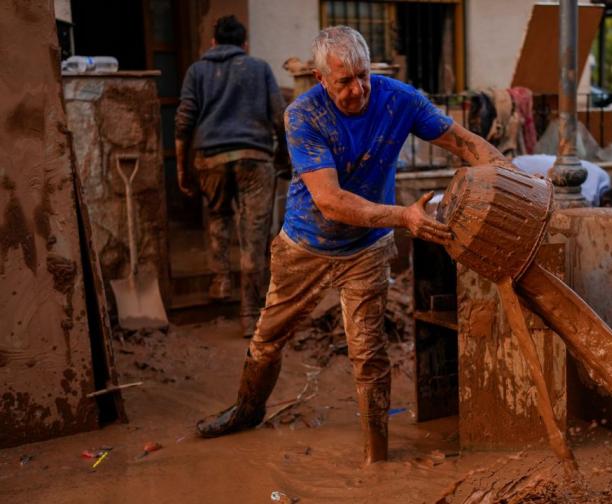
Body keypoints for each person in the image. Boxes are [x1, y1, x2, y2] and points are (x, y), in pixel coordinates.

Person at [195, 26, 513, 465]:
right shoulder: (303, 115)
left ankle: (375, 457)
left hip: (367, 248)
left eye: (362, 75)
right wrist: (404, 216)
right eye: (344, 81)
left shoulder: (398, 98)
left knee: (368, 353)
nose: (357, 89)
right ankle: (246, 411)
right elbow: (331, 201)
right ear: (321, 78)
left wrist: (510, 177)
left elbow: (462, 142)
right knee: (267, 340)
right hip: (304, 245)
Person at [175, 15, 285, 338]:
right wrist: (284, 157)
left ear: (213, 43)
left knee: (219, 216)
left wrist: (183, 169)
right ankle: (250, 315)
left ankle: (220, 277)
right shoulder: (260, 68)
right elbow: (280, 116)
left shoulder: (196, 70)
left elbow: (183, 123)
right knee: (253, 236)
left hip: (210, 159)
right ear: (245, 45)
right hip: (254, 159)